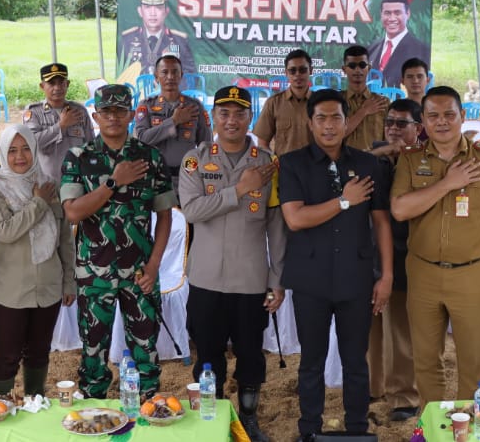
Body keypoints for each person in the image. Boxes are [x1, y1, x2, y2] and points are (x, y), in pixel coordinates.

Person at [278, 89, 392, 442]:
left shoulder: (368, 164)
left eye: (336, 118)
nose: (329, 126)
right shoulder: (292, 163)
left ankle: (357, 429)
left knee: (356, 360)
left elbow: (381, 222)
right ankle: (309, 429)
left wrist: (386, 275)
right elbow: (295, 219)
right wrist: (344, 200)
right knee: (311, 361)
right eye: (322, 118)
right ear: (310, 123)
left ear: (346, 122)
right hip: (310, 280)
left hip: (356, 278)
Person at [391, 87, 480, 404]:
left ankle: (468, 424)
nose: (442, 122)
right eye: (433, 115)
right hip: (424, 274)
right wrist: (447, 183)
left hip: (472, 275)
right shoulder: (410, 159)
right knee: (425, 359)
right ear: (423, 121)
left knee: (473, 362)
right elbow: (400, 209)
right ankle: (432, 423)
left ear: (463, 116)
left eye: (449, 114)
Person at [180, 86, 286, 442]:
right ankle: (211, 419)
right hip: (206, 277)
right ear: (213, 117)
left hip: (250, 279)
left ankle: (249, 420)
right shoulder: (195, 160)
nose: (231, 120)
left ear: (250, 118)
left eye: (239, 113)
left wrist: (277, 278)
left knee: (251, 354)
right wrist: (239, 190)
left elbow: (276, 226)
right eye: (224, 113)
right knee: (207, 354)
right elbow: (192, 210)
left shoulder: (267, 163)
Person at [61, 84, 175, 400]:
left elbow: (165, 216)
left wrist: (154, 265)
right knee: (93, 351)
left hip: (140, 272)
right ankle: (94, 411)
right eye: (106, 111)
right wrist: (114, 182)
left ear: (131, 114)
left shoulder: (150, 157)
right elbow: (73, 213)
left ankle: (147, 409)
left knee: (145, 349)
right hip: (94, 273)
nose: (113, 117)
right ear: (95, 116)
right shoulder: (78, 158)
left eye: (120, 110)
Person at [0, 124, 74, 399]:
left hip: (48, 288)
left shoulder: (48, 184)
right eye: (12, 150)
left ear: (34, 149)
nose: (20, 157)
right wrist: (38, 203)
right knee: (6, 356)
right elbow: (5, 232)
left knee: (39, 353)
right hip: (9, 290)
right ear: (3, 154)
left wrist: (69, 281)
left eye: (25, 149)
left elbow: (65, 238)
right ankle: (0, 406)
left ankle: (35, 403)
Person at [367, 98, 423, 420]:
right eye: (389, 122)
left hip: (405, 253)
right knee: (368, 327)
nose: (394, 129)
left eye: (402, 123)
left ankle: (403, 396)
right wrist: (385, 152)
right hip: (368, 252)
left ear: (419, 128)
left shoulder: (422, 159)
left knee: (399, 328)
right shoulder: (374, 155)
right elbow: (351, 165)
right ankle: (372, 386)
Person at [133, 54, 211, 193]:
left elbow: (206, 145)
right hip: (154, 177)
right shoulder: (147, 106)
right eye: (164, 72)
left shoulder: (194, 107)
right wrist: (174, 121)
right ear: (156, 77)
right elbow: (141, 140)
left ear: (181, 76)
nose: (170, 77)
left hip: (187, 177)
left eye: (175, 72)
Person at [23, 63, 91, 183]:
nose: (57, 88)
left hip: (77, 180)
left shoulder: (79, 111)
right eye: (51, 83)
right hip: (47, 182)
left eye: (61, 83)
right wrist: (61, 126)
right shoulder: (34, 113)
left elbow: (90, 145)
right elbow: (31, 143)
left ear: (67, 84)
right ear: (42, 86)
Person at [118, 0, 196, 77]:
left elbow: (191, 75)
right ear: (140, 11)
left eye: (158, 7)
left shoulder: (179, 41)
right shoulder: (127, 40)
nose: (153, 13)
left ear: (166, 11)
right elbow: (121, 75)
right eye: (147, 7)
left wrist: (171, 84)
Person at [254, 48, 314, 157]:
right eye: (292, 70)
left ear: (311, 70)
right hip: (283, 166)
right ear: (286, 73)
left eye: (302, 70)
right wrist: (275, 162)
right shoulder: (273, 103)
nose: (297, 74)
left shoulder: (320, 103)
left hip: (315, 166)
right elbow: (262, 144)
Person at [367, 0, 429, 88]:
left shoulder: (421, 51)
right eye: (387, 13)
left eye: (397, 13)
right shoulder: (372, 49)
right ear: (381, 14)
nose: (392, 19)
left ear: (407, 14)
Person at [341, 44, 389, 152]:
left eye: (362, 65)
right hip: (343, 160)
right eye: (352, 66)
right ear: (344, 69)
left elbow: (388, 140)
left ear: (369, 68)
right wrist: (364, 111)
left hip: (374, 160)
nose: (357, 70)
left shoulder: (382, 102)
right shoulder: (336, 101)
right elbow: (337, 134)